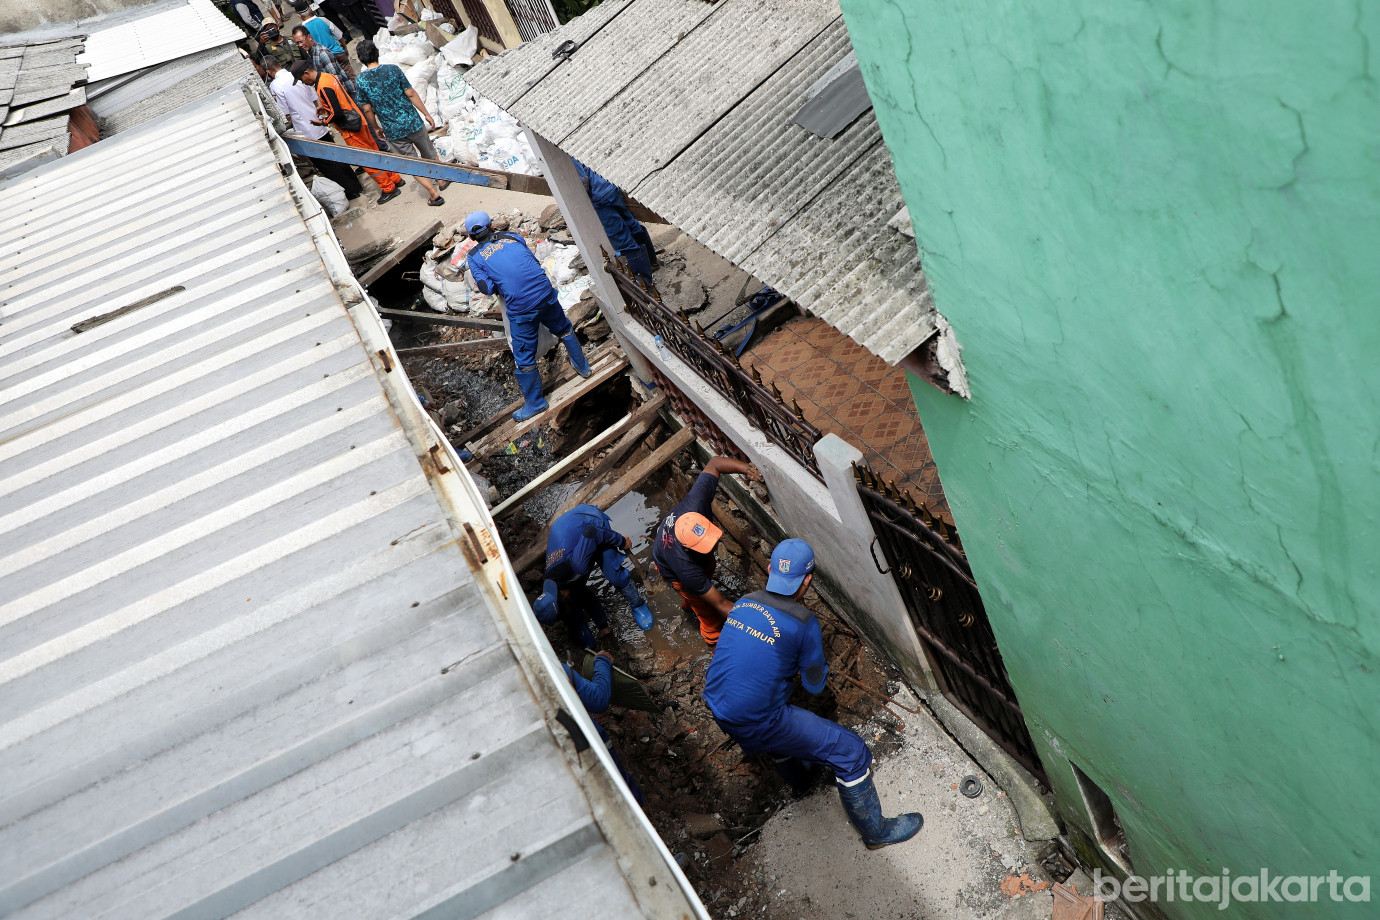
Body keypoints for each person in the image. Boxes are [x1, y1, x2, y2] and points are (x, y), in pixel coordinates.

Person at [702, 539, 923, 849]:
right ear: (807, 580)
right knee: (852, 753)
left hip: (717, 703)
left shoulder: (744, 602)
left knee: (774, 723)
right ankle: (877, 833)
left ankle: (802, 783)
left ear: (770, 569)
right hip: (759, 718)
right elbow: (814, 686)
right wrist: (812, 663)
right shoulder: (803, 623)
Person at [464, 210, 594, 420]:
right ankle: (583, 367)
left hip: (522, 307)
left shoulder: (474, 256)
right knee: (563, 328)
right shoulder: (513, 236)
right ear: (492, 226)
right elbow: (530, 261)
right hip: (545, 291)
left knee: (523, 356)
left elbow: (487, 288)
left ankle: (535, 403)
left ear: (470, 237)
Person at [651, 455, 761, 647]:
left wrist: (746, 469)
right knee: (709, 616)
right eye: (706, 546)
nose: (715, 546)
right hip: (672, 569)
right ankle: (713, 645)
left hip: (673, 553)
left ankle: (689, 604)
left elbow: (715, 463)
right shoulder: (686, 568)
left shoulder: (696, 503)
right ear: (688, 548)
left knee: (705, 576)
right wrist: (757, 624)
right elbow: (721, 604)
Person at [532, 504, 654, 646]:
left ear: (564, 595)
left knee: (614, 574)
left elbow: (592, 532)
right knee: (578, 593)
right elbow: (580, 596)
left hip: (589, 523)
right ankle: (591, 628)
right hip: (572, 536)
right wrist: (602, 626)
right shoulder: (550, 584)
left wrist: (621, 541)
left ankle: (638, 604)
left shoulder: (577, 566)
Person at [352, 39, 448, 206]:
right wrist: (426, 114)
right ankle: (441, 181)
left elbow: (367, 109)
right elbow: (410, 93)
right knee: (428, 151)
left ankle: (433, 194)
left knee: (411, 162)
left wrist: (376, 128)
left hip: (393, 130)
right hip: (412, 121)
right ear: (377, 53)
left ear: (361, 59)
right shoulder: (392, 69)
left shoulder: (361, 81)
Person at [295, 62, 404, 204]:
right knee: (376, 152)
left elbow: (337, 113)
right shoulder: (328, 77)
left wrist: (323, 121)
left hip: (351, 129)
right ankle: (396, 179)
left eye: (301, 79)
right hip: (359, 119)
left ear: (306, 73)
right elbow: (338, 100)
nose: (303, 82)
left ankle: (388, 188)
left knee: (367, 160)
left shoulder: (322, 86)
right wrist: (325, 108)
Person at [264, 57, 364, 200]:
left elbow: (284, 112)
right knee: (336, 156)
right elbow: (314, 99)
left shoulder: (276, 85)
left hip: (305, 129)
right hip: (319, 122)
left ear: (269, 71)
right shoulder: (297, 75)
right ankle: (356, 186)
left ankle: (349, 192)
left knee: (325, 164)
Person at [564, 650, 645, 804]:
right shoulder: (549, 667)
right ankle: (638, 808)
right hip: (589, 744)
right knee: (619, 785)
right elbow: (598, 700)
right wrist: (602, 661)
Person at [573, 159, 658, 283]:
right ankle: (652, 263)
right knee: (632, 225)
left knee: (622, 240)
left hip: (600, 199)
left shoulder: (565, 157)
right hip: (610, 187)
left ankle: (644, 283)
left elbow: (583, 179)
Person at [292, 26, 356, 99]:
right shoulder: (311, 52)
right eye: (297, 43)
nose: (300, 45)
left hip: (345, 95)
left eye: (301, 41)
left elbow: (335, 79)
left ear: (309, 37)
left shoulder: (322, 54)